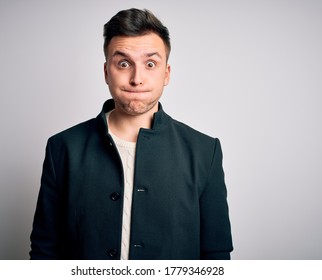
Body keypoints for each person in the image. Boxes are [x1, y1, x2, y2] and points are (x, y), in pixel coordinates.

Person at [30, 8, 233, 260]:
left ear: (166, 74)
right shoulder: (62, 148)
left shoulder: (204, 151)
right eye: (124, 63)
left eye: (150, 64)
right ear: (106, 72)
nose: (137, 78)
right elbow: (44, 251)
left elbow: (216, 255)